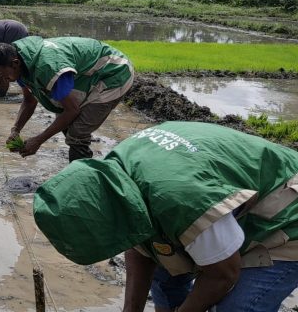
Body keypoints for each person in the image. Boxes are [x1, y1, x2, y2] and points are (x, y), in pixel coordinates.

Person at [33, 121, 298, 312]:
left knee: (237, 306)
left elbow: (223, 275)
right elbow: (138, 243)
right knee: (166, 274)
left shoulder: (181, 201)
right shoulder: (113, 174)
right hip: (229, 196)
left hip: (288, 216)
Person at [0, 36, 133, 162]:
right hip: (90, 74)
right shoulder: (20, 64)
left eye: (2, 74)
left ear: (15, 63)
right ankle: (80, 166)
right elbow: (30, 101)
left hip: (115, 72)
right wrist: (15, 130)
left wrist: (38, 140)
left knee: (77, 133)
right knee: (66, 124)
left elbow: (72, 110)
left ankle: (83, 180)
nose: (3, 79)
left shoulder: (47, 67)